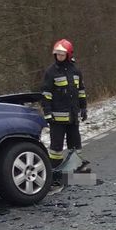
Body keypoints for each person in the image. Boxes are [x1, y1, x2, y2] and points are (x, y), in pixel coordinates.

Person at [40, 39, 88, 175]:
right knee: (56, 149)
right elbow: (46, 94)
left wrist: (83, 108)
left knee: (75, 145)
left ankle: (76, 171)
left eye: (62, 54)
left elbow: (81, 91)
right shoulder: (51, 72)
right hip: (57, 119)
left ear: (68, 54)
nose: (59, 57)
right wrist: (48, 113)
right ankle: (55, 173)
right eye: (57, 54)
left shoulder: (76, 71)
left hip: (73, 117)